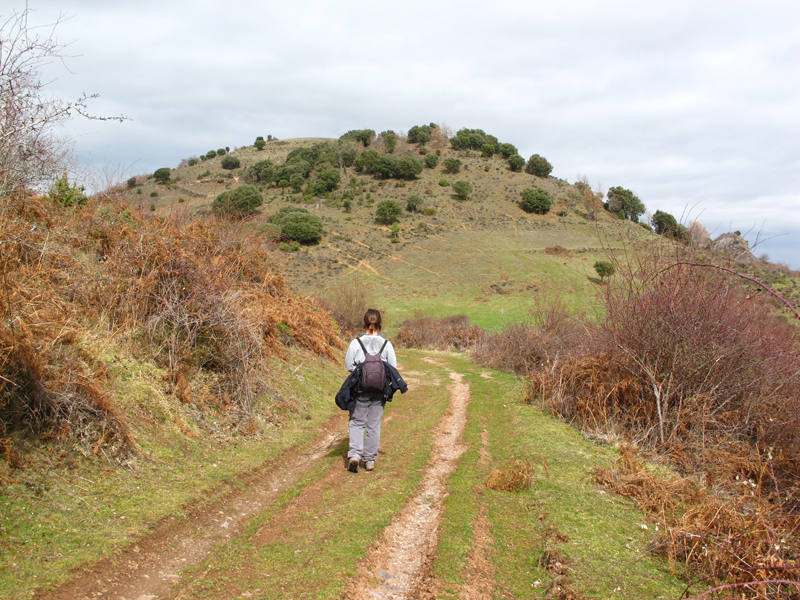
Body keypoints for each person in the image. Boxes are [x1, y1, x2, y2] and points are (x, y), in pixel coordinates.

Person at [344, 308, 397, 473]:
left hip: (360, 390)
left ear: (364, 323)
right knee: (374, 425)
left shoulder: (355, 343)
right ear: (380, 324)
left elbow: (348, 366)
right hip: (379, 391)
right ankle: (369, 460)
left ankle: (354, 455)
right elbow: (393, 367)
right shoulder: (387, 344)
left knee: (357, 422)